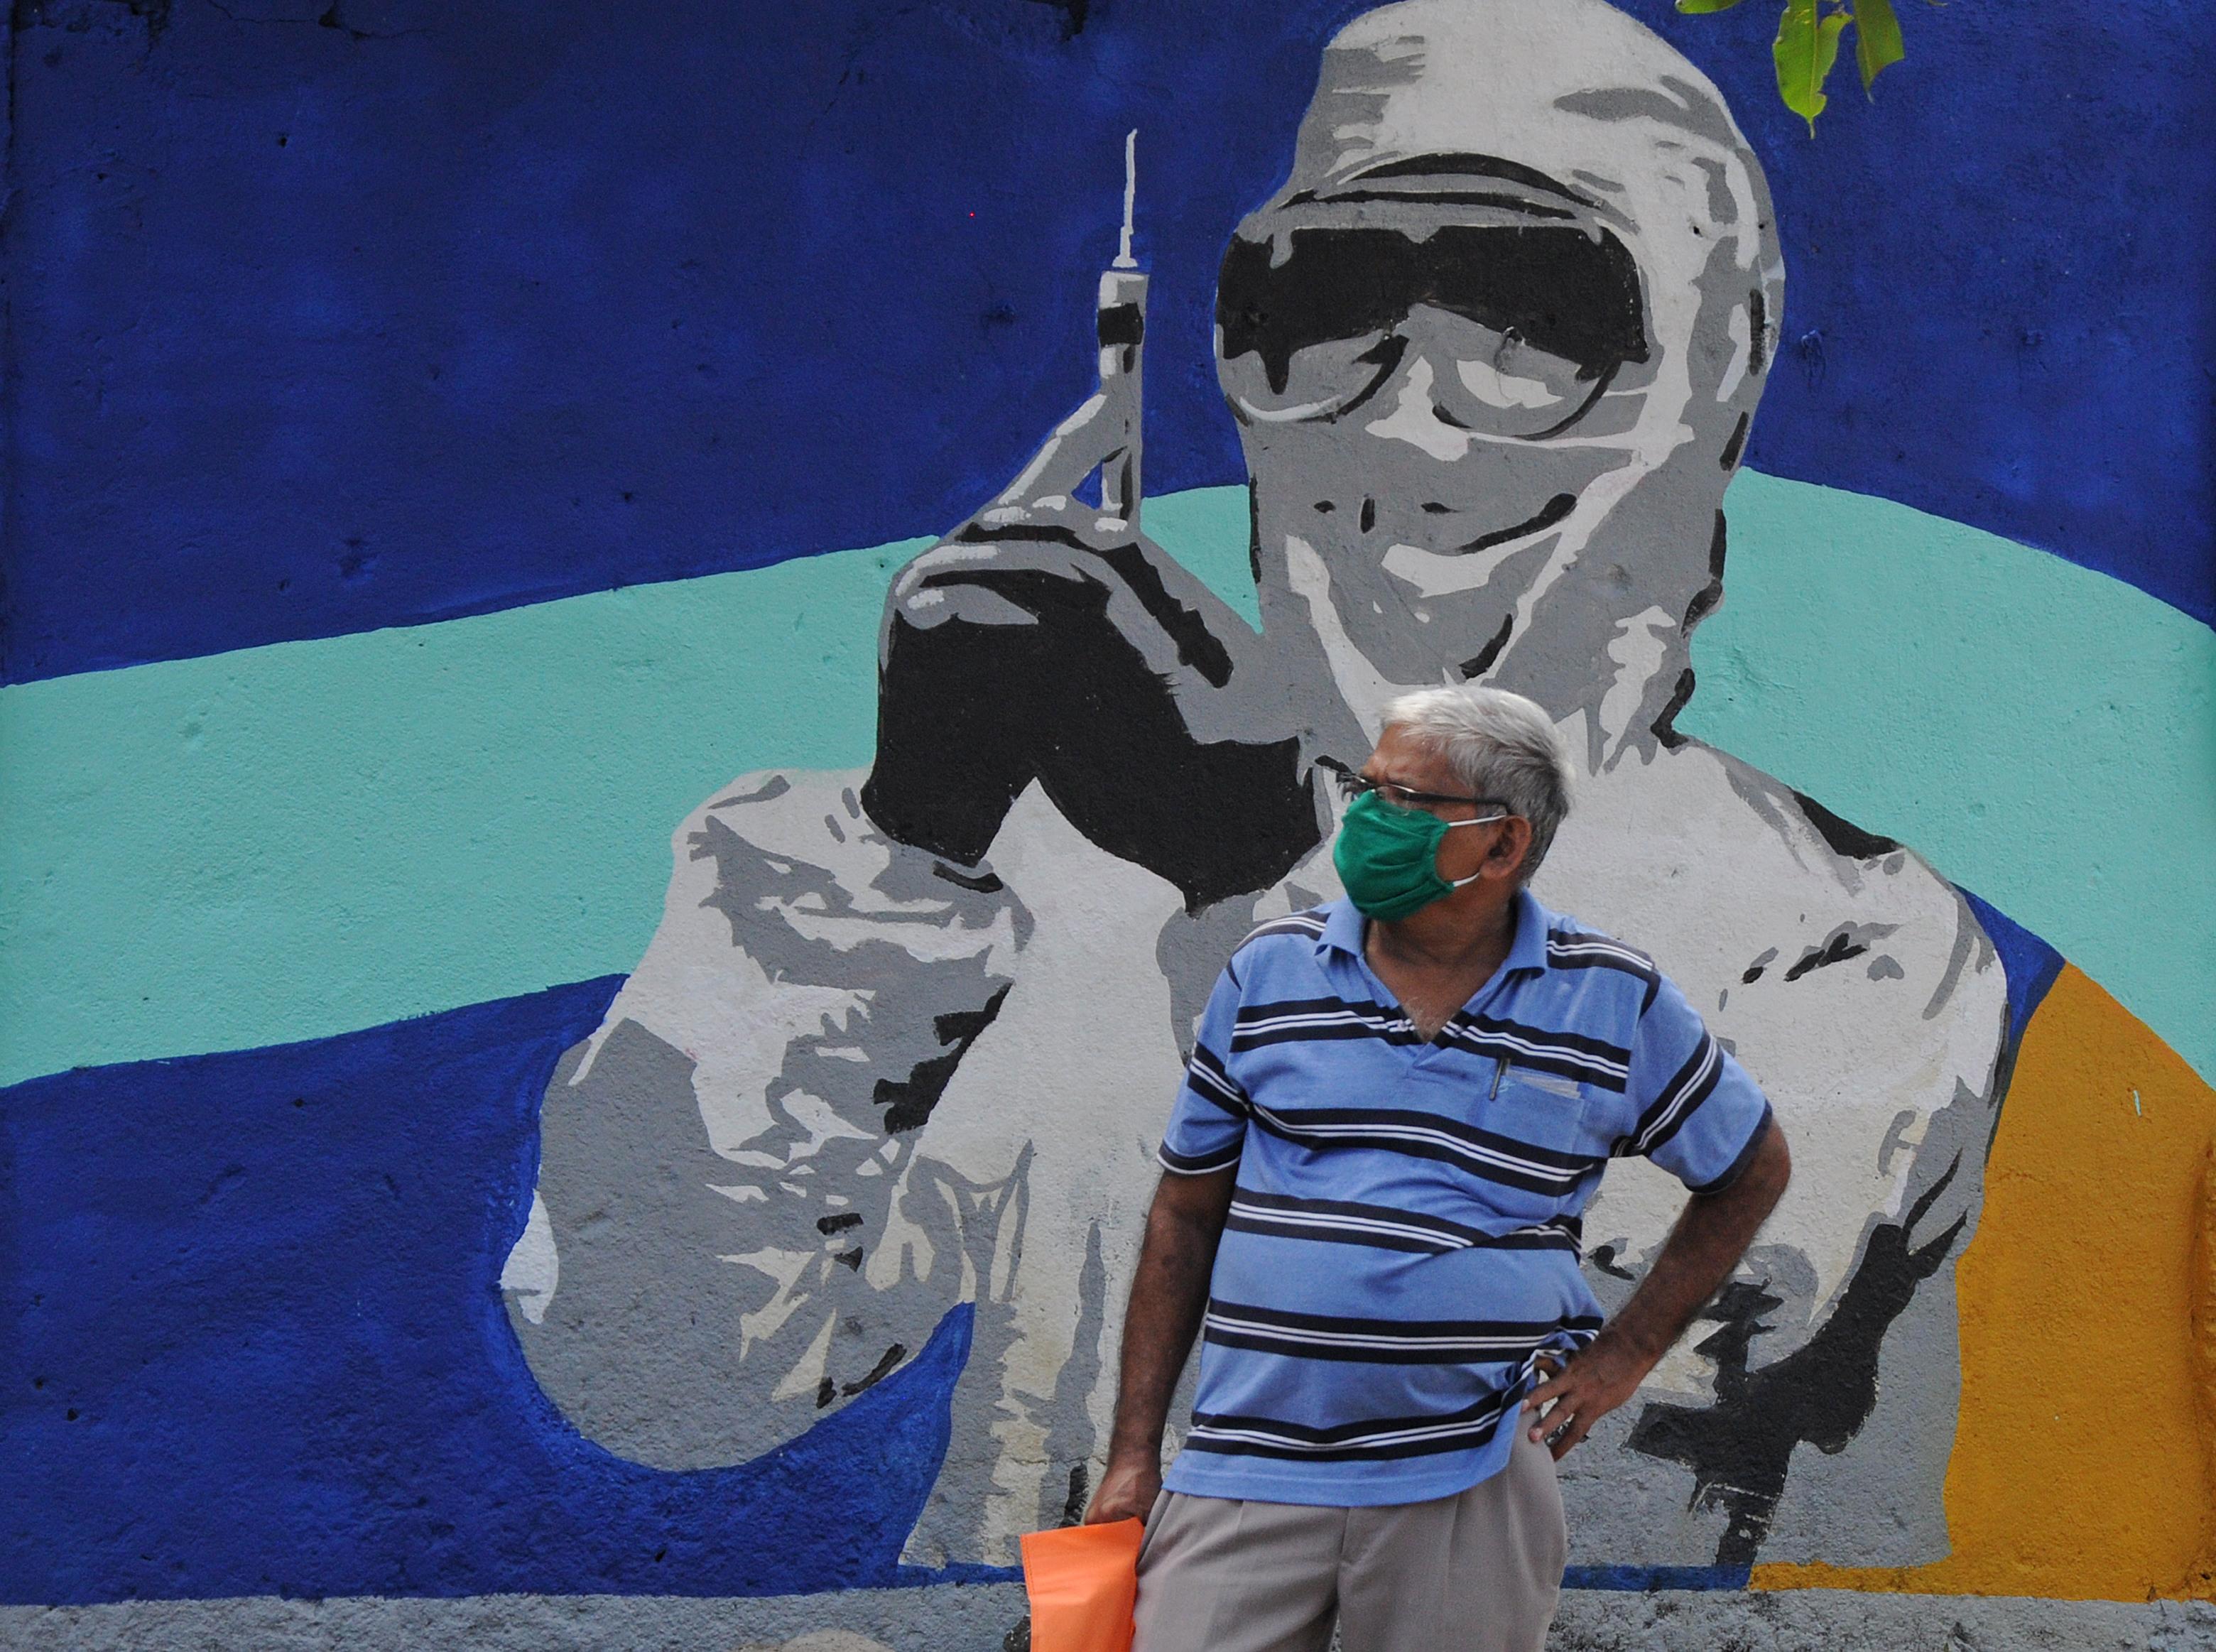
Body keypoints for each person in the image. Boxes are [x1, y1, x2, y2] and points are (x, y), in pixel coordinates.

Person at [501, 0, 2004, 1571]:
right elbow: (657, 1374)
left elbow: (1564, 1458)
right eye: (1329, 309)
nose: (1405, 418)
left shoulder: (1845, 947)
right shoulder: (1057, 879)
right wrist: (909, 835)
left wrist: (1254, 890)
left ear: (1708, 387)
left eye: (1533, 319)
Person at [1087, 685, 1790, 1652]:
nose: (1364, 818)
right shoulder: (1269, 972)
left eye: (1402, 800)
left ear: (1503, 845)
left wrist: (1621, 1359)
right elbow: (1184, 1217)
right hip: (1248, 1467)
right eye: (1363, 787)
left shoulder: (1608, 996)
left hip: (1468, 1473)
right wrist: (1133, 1453)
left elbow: (1750, 1166)